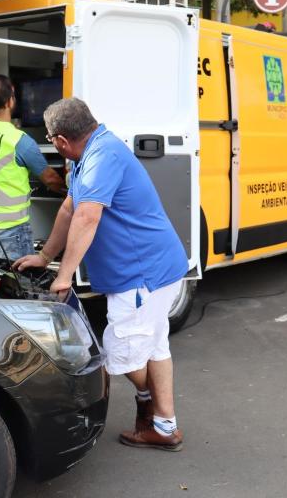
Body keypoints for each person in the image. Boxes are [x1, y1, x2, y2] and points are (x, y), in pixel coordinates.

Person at [14, 98, 189, 451]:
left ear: (61, 140)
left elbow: (87, 217)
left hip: (143, 274)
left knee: (120, 350)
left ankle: (150, 404)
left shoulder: (102, 157)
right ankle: (164, 426)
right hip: (153, 269)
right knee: (154, 346)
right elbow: (69, 207)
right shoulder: (90, 154)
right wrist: (45, 255)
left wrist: (63, 276)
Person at [0, 75, 65, 260]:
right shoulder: (19, 141)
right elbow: (51, 180)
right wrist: (71, 189)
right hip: (10, 231)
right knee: (19, 285)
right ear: (9, 102)